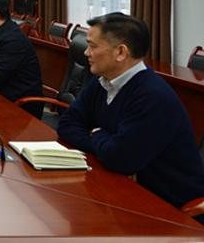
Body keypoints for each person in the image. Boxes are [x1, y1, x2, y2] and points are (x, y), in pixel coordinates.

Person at [58, 13, 204, 215]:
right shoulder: (102, 82)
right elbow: (66, 125)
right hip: (123, 189)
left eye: (93, 46)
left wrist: (97, 134)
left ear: (120, 52)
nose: (86, 52)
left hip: (169, 208)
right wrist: (106, 144)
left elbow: (120, 159)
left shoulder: (152, 96)